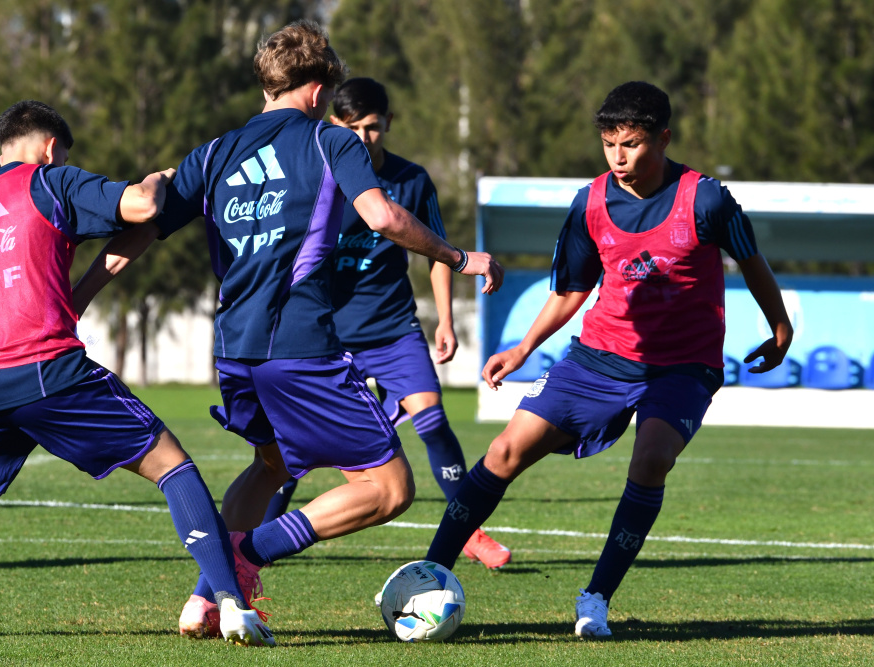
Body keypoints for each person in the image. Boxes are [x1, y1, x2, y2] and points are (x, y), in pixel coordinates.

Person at [75, 20, 503, 638]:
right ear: (320, 85)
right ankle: (244, 560)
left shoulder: (215, 152)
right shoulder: (332, 143)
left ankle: (208, 598)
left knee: (271, 465)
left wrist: (79, 296)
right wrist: (459, 257)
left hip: (233, 349)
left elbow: (142, 229)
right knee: (388, 487)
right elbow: (381, 215)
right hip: (298, 344)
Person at [0, 100, 273, 647]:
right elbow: (139, 207)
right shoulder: (50, 181)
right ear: (51, 148)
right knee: (173, 466)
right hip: (43, 372)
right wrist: (158, 179)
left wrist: (80, 292)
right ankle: (229, 603)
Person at [420, 81, 793, 638]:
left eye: (633, 144)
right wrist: (522, 348)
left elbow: (752, 260)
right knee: (504, 450)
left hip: (682, 366)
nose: (619, 157)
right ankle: (429, 576)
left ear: (663, 138)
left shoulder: (707, 197)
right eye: (609, 144)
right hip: (598, 358)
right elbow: (572, 288)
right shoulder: (590, 202)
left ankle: (595, 598)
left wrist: (780, 328)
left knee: (651, 460)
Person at [259, 77, 510, 569]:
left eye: (373, 128)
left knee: (434, 422)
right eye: (352, 128)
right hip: (325, 335)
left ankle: (469, 530)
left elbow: (439, 251)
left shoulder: (412, 180)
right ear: (333, 125)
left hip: (393, 328)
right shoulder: (317, 178)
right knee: (289, 449)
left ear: (388, 123)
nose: (363, 139)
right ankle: (257, 546)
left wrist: (444, 320)